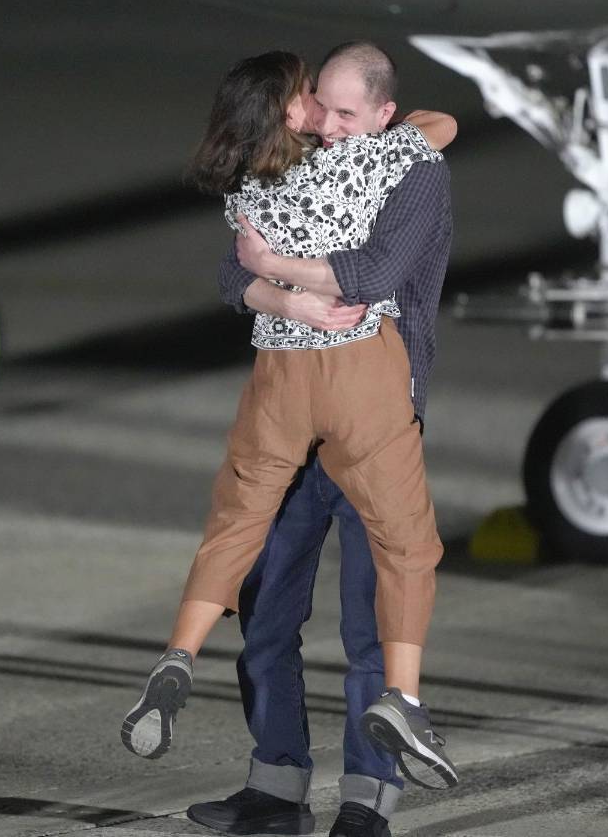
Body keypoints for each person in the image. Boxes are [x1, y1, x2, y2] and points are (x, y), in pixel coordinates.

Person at [121, 48, 460, 795]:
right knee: (385, 563)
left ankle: (181, 656)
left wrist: (274, 278)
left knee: (238, 530)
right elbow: (373, 259)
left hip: (284, 389)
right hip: (360, 386)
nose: (326, 120)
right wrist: (289, 292)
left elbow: (240, 267)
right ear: (288, 115)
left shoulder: (254, 185)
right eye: (313, 101)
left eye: (342, 111)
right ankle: (377, 720)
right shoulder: (377, 162)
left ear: (379, 114)